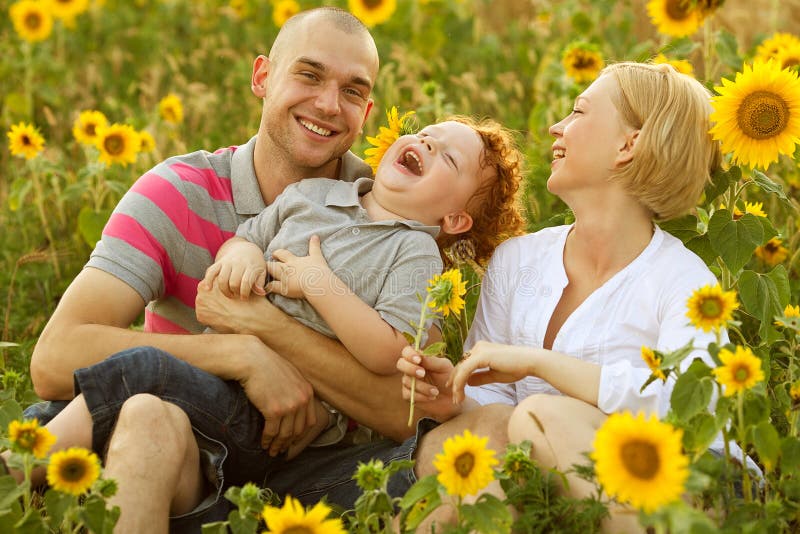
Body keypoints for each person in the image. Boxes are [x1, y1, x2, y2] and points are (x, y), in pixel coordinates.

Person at [22, 7, 526, 528]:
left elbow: (407, 406)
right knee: (149, 411)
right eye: (309, 75)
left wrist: (267, 329)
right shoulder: (180, 192)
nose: (328, 104)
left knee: (488, 432)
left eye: (352, 91)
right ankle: (15, 476)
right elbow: (55, 359)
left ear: (367, 109)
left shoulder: (398, 216)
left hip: (327, 472)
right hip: (192, 456)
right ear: (262, 77)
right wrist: (237, 354)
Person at [398, 61, 730, 532]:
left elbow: (693, 406)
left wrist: (539, 363)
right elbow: (494, 402)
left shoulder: (683, 281)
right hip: (560, 484)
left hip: (688, 486)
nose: (557, 126)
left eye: (578, 112)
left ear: (627, 144)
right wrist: (449, 392)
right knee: (476, 437)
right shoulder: (517, 261)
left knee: (541, 414)